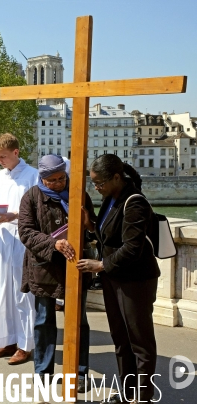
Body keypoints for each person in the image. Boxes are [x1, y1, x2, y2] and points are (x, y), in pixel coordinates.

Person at [77, 154, 160, 404]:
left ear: (116, 177)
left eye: (99, 183)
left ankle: (143, 396)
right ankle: (127, 393)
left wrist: (100, 264)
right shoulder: (110, 199)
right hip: (115, 279)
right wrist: (91, 226)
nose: (96, 187)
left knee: (140, 342)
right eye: (93, 183)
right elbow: (109, 237)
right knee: (121, 340)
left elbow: (132, 248)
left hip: (136, 281)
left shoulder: (135, 203)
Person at [18, 154, 94, 392]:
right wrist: (54, 243)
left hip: (75, 266)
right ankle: (43, 372)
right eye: (52, 180)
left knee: (78, 321)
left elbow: (94, 230)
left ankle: (79, 372)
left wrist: (87, 224)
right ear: (42, 178)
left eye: (61, 178)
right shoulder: (30, 197)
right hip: (44, 266)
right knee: (43, 321)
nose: (58, 183)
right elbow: (26, 232)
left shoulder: (79, 195)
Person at [0, 133, 38, 364]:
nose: (0, 161)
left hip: (20, 241)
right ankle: (5, 340)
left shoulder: (33, 176)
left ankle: (25, 345)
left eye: (3, 156)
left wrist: (15, 215)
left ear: (16, 152)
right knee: (0, 292)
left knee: (21, 294)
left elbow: (36, 210)